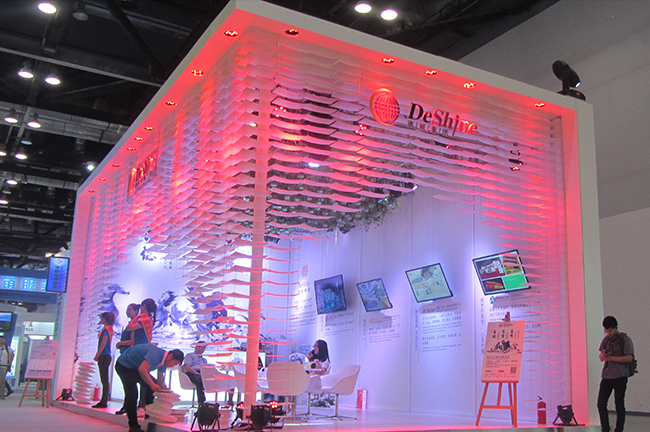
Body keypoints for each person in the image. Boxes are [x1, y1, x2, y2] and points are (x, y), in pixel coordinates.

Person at [115, 344, 184, 432]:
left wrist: (166, 391)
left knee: (151, 388)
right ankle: (133, 425)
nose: (172, 366)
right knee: (132, 393)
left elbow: (160, 381)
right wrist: (152, 385)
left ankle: (149, 416)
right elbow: (142, 369)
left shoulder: (163, 361)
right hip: (125, 365)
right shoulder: (155, 354)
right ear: (170, 356)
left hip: (136, 367)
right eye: (173, 363)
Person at [597, 316, 635, 432]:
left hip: (620, 375)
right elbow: (601, 357)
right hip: (607, 375)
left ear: (616, 328)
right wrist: (604, 355)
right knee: (601, 403)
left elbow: (629, 358)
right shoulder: (606, 340)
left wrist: (612, 358)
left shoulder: (625, 339)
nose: (609, 333)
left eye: (611, 331)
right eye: (606, 331)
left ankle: (619, 429)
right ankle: (605, 428)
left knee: (619, 404)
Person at [115, 303, 141, 415]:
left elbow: (132, 341)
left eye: (130, 310)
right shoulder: (131, 324)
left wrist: (120, 343)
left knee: (129, 384)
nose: (127, 312)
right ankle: (128, 406)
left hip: (129, 356)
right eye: (127, 309)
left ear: (136, 311)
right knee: (128, 384)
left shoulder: (135, 325)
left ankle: (129, 406)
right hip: (126, 355)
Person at [93, 312, 115, 408]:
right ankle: (103, 400)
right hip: (106, 355)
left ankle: (104, 401)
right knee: (105, 379)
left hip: (104, 355)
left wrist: (97, 355)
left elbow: (103, 343)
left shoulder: (106, 329)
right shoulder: (109, 329)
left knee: (104, 379)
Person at [183, 341, 208, 405]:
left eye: (202, 348)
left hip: (202, 373)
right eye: (199, 347)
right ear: (196, 347)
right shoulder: (189, 355)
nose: (200, 349)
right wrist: (196, 373)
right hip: (191, 372)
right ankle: (201, 402)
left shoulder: (204, 360)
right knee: (199, 380)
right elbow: (187, 366)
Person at [0, 335, 14, 400]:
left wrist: (9, 364)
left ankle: (2, 394)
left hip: (3, 366)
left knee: (2, 380)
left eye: (2, 339)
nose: (1, 340)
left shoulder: (7, 348)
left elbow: (11, 354)